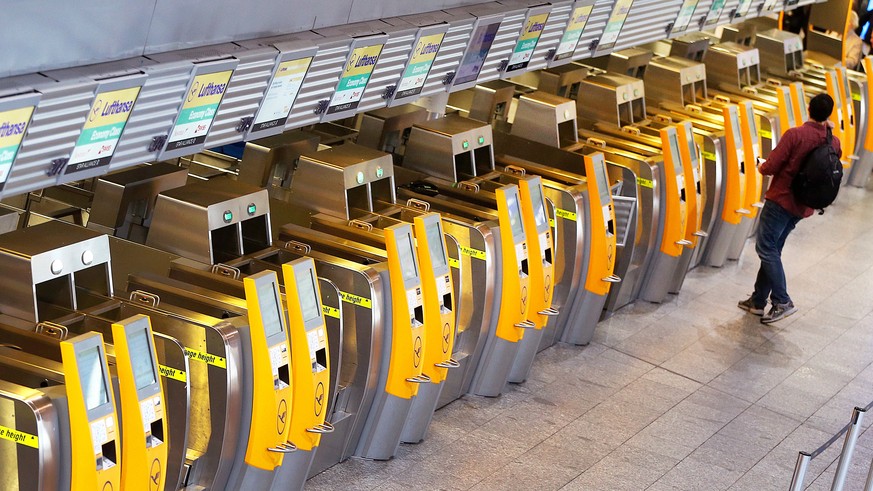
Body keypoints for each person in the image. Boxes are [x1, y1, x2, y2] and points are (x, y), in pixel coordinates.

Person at [738, 93, 842, 324]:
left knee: (766, 248)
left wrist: (760, 164)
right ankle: (757, 301)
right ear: (828, 114)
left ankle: (782, 301)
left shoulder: (796, 134)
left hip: (781, 201)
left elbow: (771, 167)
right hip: (803, 205)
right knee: (773, 249)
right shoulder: (832, 140)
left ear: (808, 109)